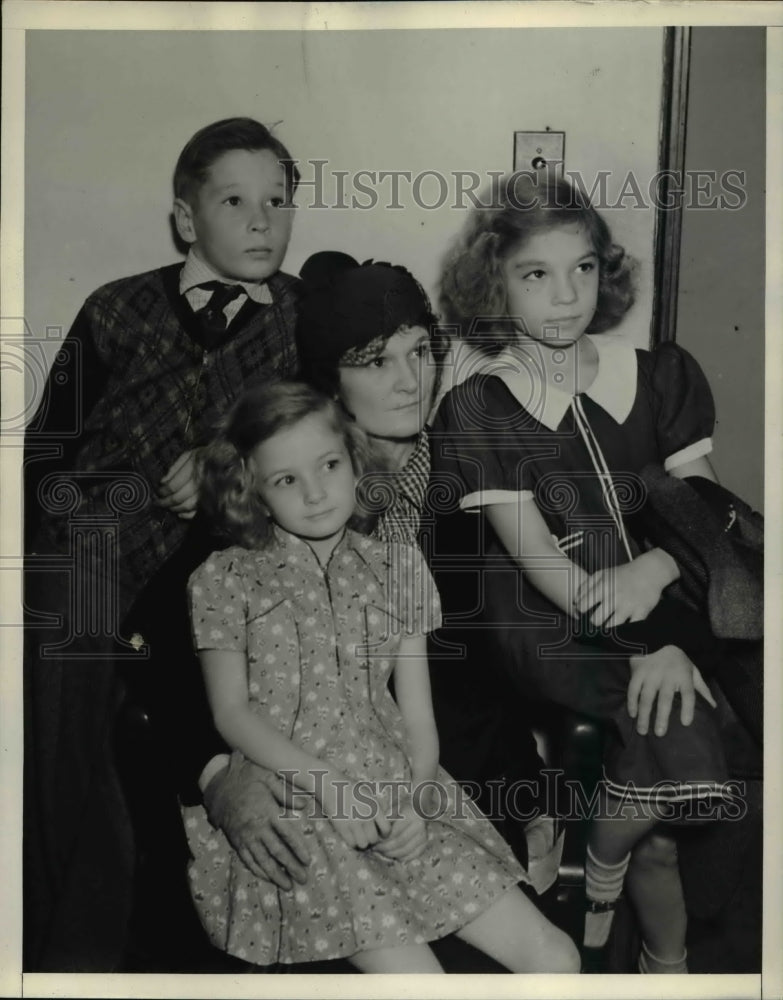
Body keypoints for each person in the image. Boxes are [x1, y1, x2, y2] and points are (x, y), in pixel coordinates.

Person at [430, 172, 737, 974]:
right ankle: (614, 892)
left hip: (660, 584)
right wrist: (648, 643)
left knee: (670, 810)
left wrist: (660, 571)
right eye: (536, 275)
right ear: (493, 282)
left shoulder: (659, 373)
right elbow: (536, 562)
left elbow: (701, 509)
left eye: (584, 269)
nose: (564, 297)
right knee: (679, 722)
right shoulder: (479, 405)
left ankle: (654, 954)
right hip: (550, 611)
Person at [23, 116, 300, 970]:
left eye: (277, 201)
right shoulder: (116, 309)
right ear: (186, 220)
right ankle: (45, 939)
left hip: (214, 563)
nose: (261, 221)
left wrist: (225, 469)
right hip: (99, 551)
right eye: (234, 201)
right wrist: (137, 489)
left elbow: (318, 455)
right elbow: (41, 468)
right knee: (66, 666)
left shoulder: (298, 322)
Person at [183, 379, 580, 973]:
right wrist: (328, 786)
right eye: (287, 480)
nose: (316, 494)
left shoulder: (398, 567)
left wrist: (416, 798)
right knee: (420, 980)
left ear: (353, 460)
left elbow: (418, 716)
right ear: (253, 489)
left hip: (399, 795)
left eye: (330, 465)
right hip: (297, 804)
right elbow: (230, 714)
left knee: (557, 959)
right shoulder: (224, 578)